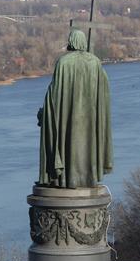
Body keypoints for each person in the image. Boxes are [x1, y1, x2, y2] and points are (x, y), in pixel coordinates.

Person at [37, 29, 113, 188]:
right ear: (84, 42)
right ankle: (88, 178)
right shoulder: (95, 62)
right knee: (88, 144)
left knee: (67, 143)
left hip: (68, 117)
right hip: (90, 118)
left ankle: (65, 179)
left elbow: (54, 95)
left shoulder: (64, 62)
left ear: (71, 42)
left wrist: (45, 114)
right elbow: (103, 90)